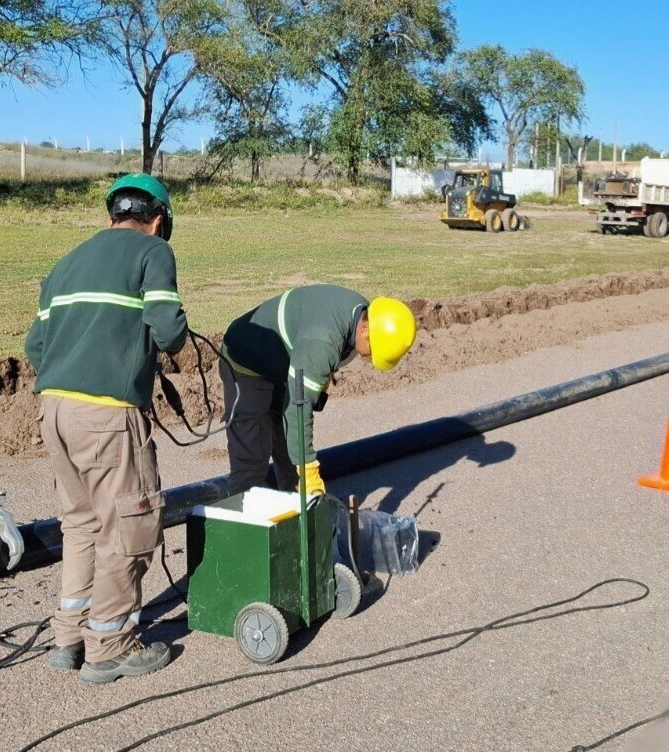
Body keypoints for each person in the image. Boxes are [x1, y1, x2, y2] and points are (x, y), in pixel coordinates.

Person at [23, 173, 187, 685]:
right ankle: (111, 645)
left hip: (55, 411)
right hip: (108, 417)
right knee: (128, 525)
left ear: (111, 214)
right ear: (158, 220)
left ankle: (68, 636)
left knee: (80, 525)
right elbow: (169, 331)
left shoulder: (65, 263)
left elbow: (35, 348)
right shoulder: (152, 252)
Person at [219, 286, 417, 495]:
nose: (369, 359)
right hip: (247, 361)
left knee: (291, 450)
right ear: (365, 329)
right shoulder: (324, 339)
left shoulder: (360, 313)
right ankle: (244, 520)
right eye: (373, 352)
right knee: (252, 460)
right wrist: (309, 472)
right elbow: (299, 408)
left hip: (282, 364)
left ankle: (298, 519)